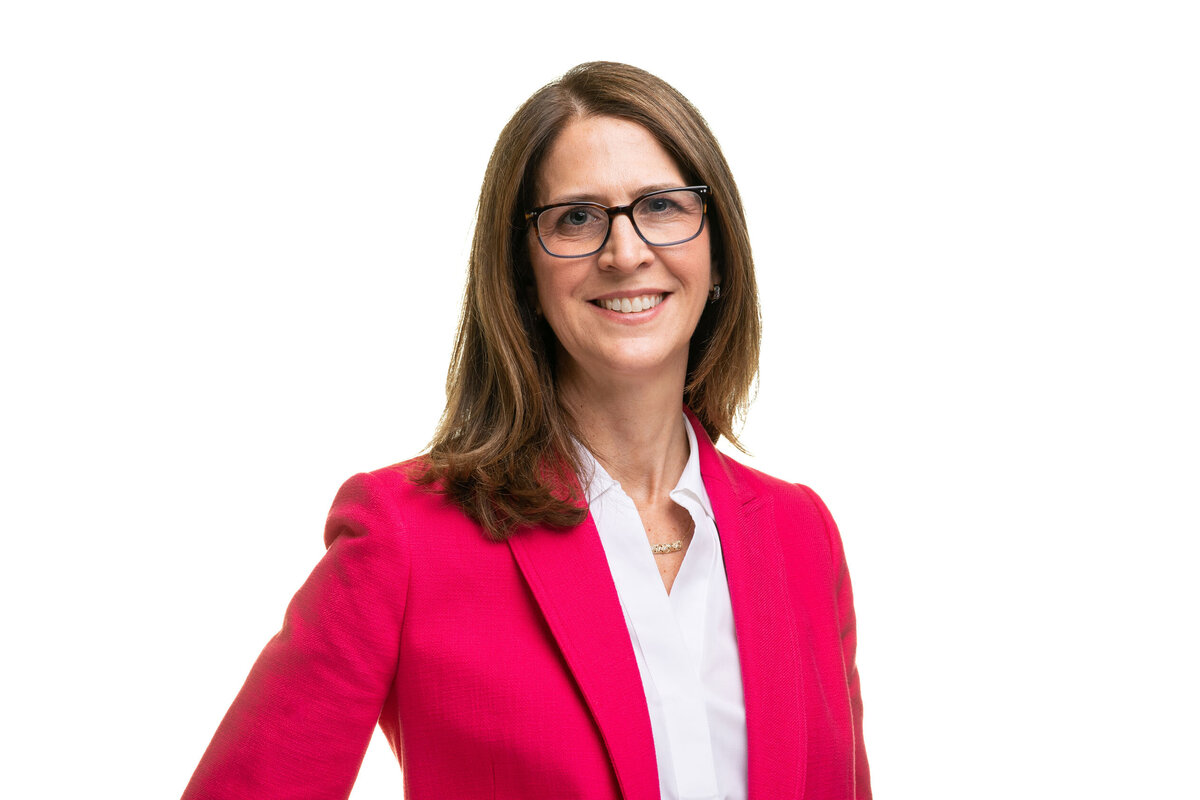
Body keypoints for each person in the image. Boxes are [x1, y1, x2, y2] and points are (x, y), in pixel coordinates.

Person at [182, 61, 870, 800]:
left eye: (663, 205)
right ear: (523, 275)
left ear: (719, 251)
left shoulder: (803, 536)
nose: (625, 251)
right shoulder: (404, 538)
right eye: (576, 217)